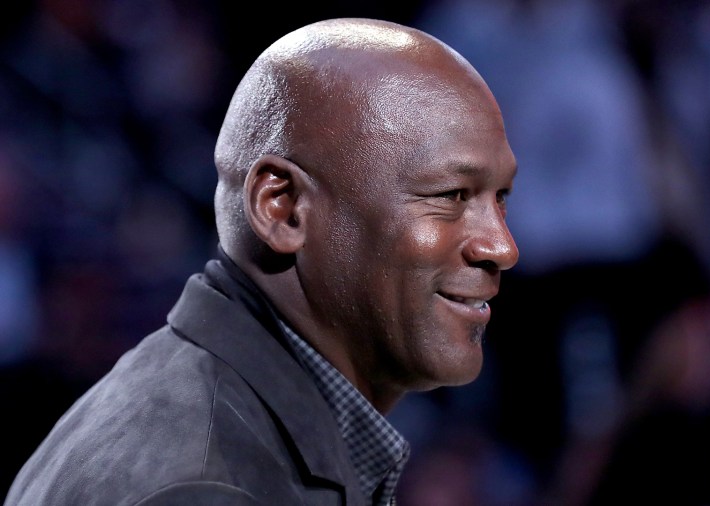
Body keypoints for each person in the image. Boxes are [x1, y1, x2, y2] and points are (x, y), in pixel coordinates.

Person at [4, 17, 519, 506]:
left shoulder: (213, 420)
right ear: (284, 208)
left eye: (501, 199)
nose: (502, 246)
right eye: (451, 195)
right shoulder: (205, 485)